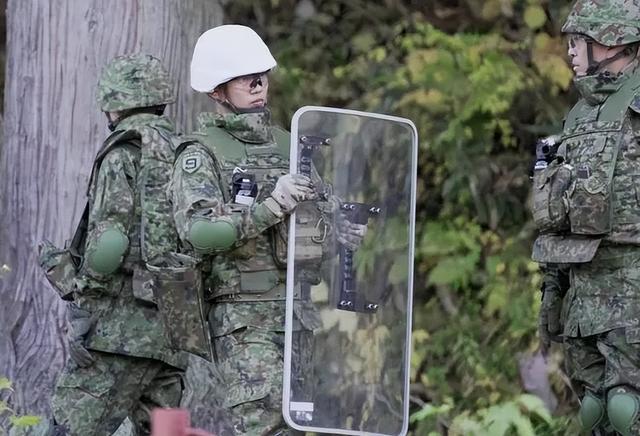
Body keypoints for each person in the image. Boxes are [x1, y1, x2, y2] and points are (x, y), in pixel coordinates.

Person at [170, 25, 366, 435]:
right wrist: (271, 206)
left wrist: (340, 234)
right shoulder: (201, 152)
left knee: (295, 428)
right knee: (264, 424)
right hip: (244, 320)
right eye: (246, 78)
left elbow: (318, 222)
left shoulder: (289, 145)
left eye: (262, 76)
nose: (259, 85)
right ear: (217, 90)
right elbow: (199, 232)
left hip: (298, 316)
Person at [40, 53, 187, 436]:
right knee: (164, 432)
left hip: (115, 336)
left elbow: (108, 245)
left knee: (68, 430)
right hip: (171, 334)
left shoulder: (122, 154)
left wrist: (84, 294)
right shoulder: (187, 154)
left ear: (114, 103)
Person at [531, 1, 640, 434]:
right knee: (596, 412)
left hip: (632, 288)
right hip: (584, 293)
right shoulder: (579, 116)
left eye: (579, 42)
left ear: (612, 42)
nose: (571, 52)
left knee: (627, 410)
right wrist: (552, 293)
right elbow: (560, 221)